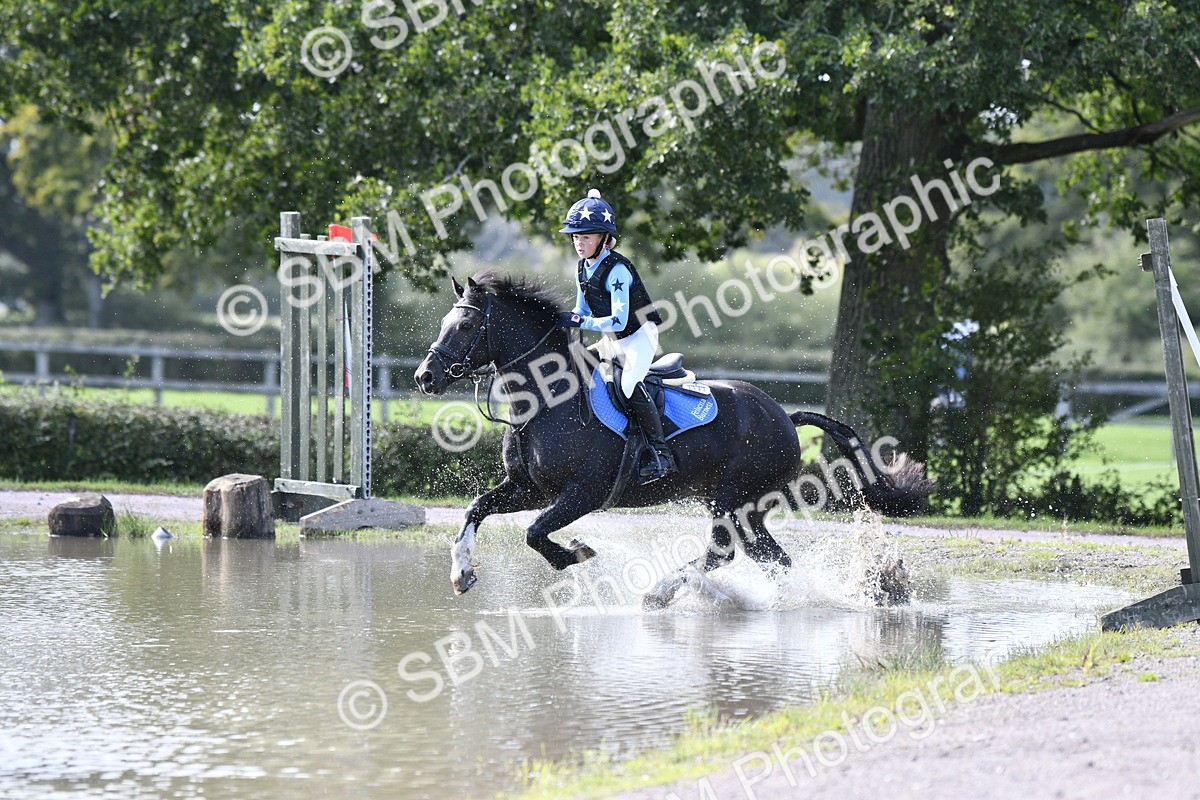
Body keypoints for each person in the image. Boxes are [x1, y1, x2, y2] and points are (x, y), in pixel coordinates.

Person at [557, 189, 678, 483]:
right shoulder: (582, 267)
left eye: (586, 237)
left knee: (628, 383)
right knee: (575, 367)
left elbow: (618, 320)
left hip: (639, 335)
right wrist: (563, 321)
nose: (579, 243)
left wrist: (579, 320)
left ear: (603, 238)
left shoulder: (618, 270)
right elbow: (581, 309)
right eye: (576, 237)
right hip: (613, 339)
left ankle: (661, 453)